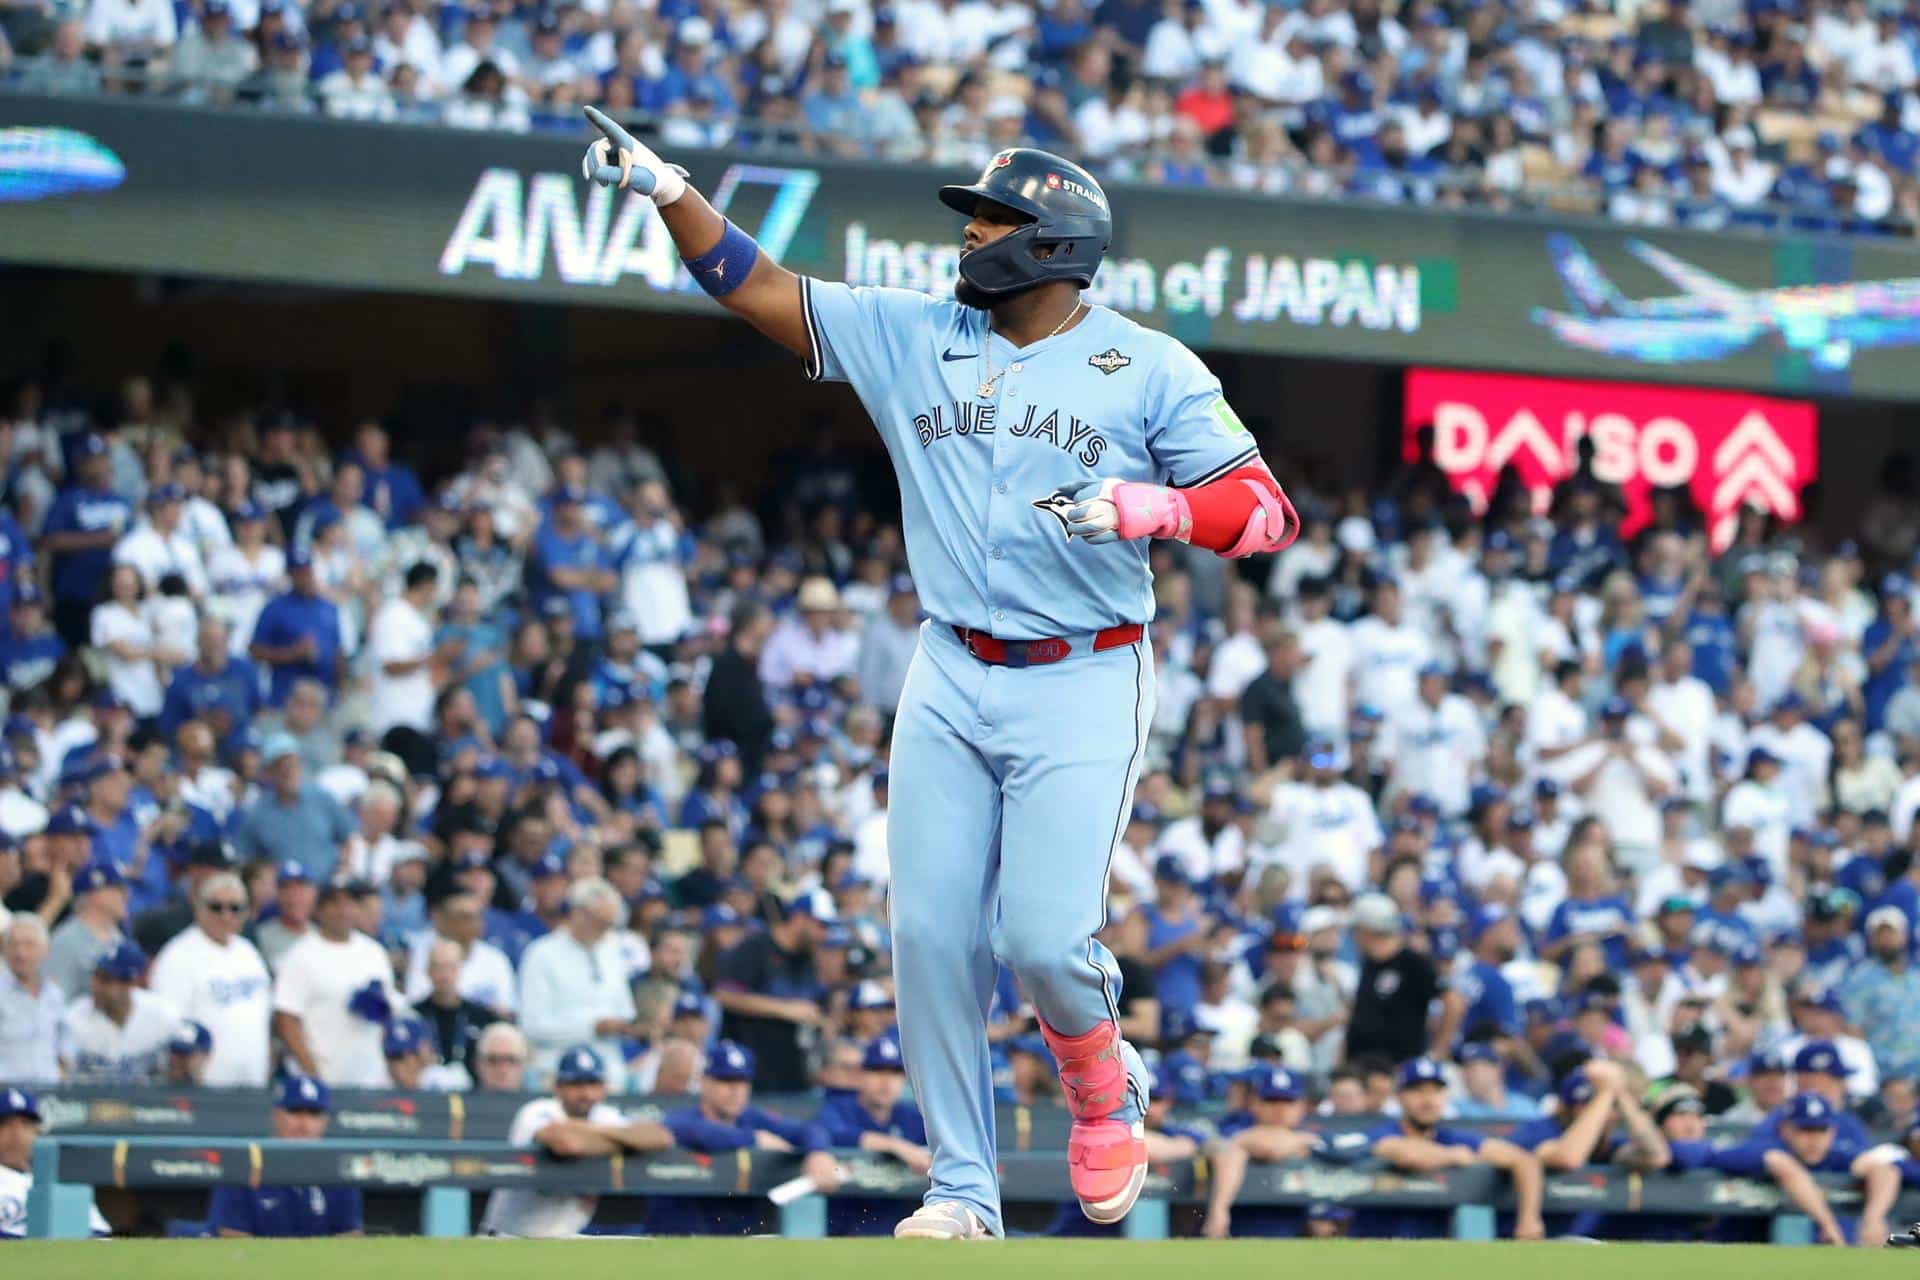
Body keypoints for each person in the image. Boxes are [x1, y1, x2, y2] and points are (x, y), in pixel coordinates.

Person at [580, 117, 1299, 1239]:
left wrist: (1155, 507)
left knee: (1046, 940)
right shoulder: (915, 330)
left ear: (1055, 244)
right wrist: (672, 191)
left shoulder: (1151, 364)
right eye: (976, 213)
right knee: (926, 938)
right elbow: (759, 290)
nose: (973, 231)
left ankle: (1105, 1082)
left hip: (1085, 670)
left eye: (996, 216)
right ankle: (962, 1188)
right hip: (951, 663)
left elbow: (1265, 513)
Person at [479, 1044, 674, 1237]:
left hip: (562, 1239)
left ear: (604, 1087)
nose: (585, 1093)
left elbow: (661, 1137)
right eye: (576, 1084)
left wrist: (582, 1130)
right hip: (508, 1236)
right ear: (558, 1087)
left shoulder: (604, 1115)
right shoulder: (537, 1110)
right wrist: (622, 1141)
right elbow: (567, 1144)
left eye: (592, 1083)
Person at [650, 1040, 842, 1235]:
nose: (736, 1090)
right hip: (680, 1235)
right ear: (704, 1082)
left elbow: (809, 1131)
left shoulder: (751, 1117)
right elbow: (692, 1131)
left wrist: (818, 1152)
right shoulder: (682, 1116)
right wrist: (753, 1139)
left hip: (740, 1236)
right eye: (726, 1081)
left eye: (742, 1082)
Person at [1367, 1056, 1546, 1239]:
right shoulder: (1384, 1130)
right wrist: (1453, 1156)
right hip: (1379, 1240)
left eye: (1435, 1091)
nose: (1428, 1100)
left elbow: (1524, 1161)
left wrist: (1529, 1219)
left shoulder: (1450, 1136)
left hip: (1436, 1246)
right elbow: (1406, 1155)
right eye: (1417, 1091)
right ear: (1399, 1096)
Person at [271, 881, 405, 1087]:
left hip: (371, 1078)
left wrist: (380, 1006)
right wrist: (313, 1074)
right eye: (334, 904)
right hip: (320, 1077)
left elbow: (390, 1013)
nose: (342, 911)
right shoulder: (301, 955)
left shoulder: (373, 952)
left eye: (349, 904)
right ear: (319, 910)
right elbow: (286, 1020)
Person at [517, 877, 642, 1088]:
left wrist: (627, 1026)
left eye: (610, 924)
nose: (606, 931)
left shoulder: (612, 952)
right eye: (600, 923)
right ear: (577, 915)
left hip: (609, 1073)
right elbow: (532, 1026)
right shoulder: (541, 954)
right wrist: (592, 1027)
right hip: (556, 1073)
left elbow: (626, 1011)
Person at [207, 1075, 363, 1238]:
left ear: (325, 1121)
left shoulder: (339, 1171)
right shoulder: (243, 1166)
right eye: (294, 1112)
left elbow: (348, 1238)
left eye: (313, 1114)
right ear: (276, 1116)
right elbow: (231, 1237)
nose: (304, 1124)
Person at [712, 887, 832, 1091]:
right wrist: (785, 1009)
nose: (824, 934)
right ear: (799, 919)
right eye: (820, 925)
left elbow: (811, 1008)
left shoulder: (808, 960)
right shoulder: (755, 948)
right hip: (748, 1073)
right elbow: (724, 995)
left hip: (792, 1074)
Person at [814, 1037, 932, 1235]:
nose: (886, 1081)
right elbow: (827, 1132)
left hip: (905, 1232)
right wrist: (893, 1145)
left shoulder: (912, 1116)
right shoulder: (840, 1108)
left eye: (895, 1073)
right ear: (860, 1075)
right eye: (877, 1071)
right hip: (846, 1234)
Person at [1345, 892, 1461, 1062]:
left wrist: (1438, 1052)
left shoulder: (1413, 962)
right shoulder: (1369, 962)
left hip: (1398, 1066)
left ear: (1366, 930)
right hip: (1361, 1063)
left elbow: (1454, 1003)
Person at [232, 736, 355, 883]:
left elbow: (348, 836)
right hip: (284, 894)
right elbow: (244, 857)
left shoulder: (321, 797)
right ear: (268, 773)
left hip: (326, 891)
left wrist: (345, 868)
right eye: (280, 767)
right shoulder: (257, 813)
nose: (288, 771)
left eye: (292, 765)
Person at [61, 939, 181, 1083]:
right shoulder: (75, 1017)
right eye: (95, 975)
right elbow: (63, 1074)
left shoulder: (163, 1016)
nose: (95, 985)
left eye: (105, 979)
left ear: (130, 983)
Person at [0, 1087, 110, 1239]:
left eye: (25, 1124)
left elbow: (100, 1238)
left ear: (37, 1131)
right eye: (5, 1124)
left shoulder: (62, 1187)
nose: (16, 1134)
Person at [43, 860, 128, 1006]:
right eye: (118, 888)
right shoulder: (66, 941)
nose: (126, 895)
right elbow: (55, 1003)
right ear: (94, 895)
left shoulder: (118, 937)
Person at [0, 915, 63, 1083]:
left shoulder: (54, 994)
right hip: (6, 1095)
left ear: (45, 949)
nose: (21, 953)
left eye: (29, 944)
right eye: (13, 945)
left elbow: (63, 1045)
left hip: (51, 1093)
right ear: (3, 949)